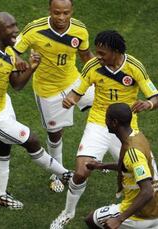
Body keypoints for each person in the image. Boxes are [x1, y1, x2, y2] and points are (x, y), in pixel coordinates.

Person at [0, 12, 72, 210]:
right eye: (10, 27)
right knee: (30, 139)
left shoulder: (8, 52)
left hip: (3, 105)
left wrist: (32, 68)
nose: (16, 30)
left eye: (15, 25)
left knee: (2, 147)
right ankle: (66, 175)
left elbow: (16, 85)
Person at [50, 30, 158, 229]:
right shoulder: (92, 66)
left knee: (150, 178)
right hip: (100, 123)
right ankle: (67, 213)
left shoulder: (134, 67)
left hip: (127, 128)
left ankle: (146, 218)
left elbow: (155, 96)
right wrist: (70, 100)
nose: (97, 57)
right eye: (96, 52)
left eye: (102, 53)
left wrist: (148, 105)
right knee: (81, 172)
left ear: (116, 51)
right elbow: (78, 91)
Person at [13, 0, 95, 192]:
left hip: (74, 80)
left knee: (107, 113)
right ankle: (57, 173)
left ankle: (98, 154)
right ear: (49, 10)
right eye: (57, 13)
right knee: (55, 134)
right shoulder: (34, 29)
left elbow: (85, 56)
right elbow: (13, 50)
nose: (61, 17)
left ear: (72, 11)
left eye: (66, 13)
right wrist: (21, 62)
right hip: (47, 90)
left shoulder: (80, 30)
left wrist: (102, 74)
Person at [85, 103, 158, 229]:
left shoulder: (133, 152)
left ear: (114, 122)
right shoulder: (136, 136)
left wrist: (119, 219)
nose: (105, 121)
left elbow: (147, 191)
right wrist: (100, 166)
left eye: (106, 118)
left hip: (141, 214)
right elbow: (126, 166)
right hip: (154, 207)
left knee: (91, 219)